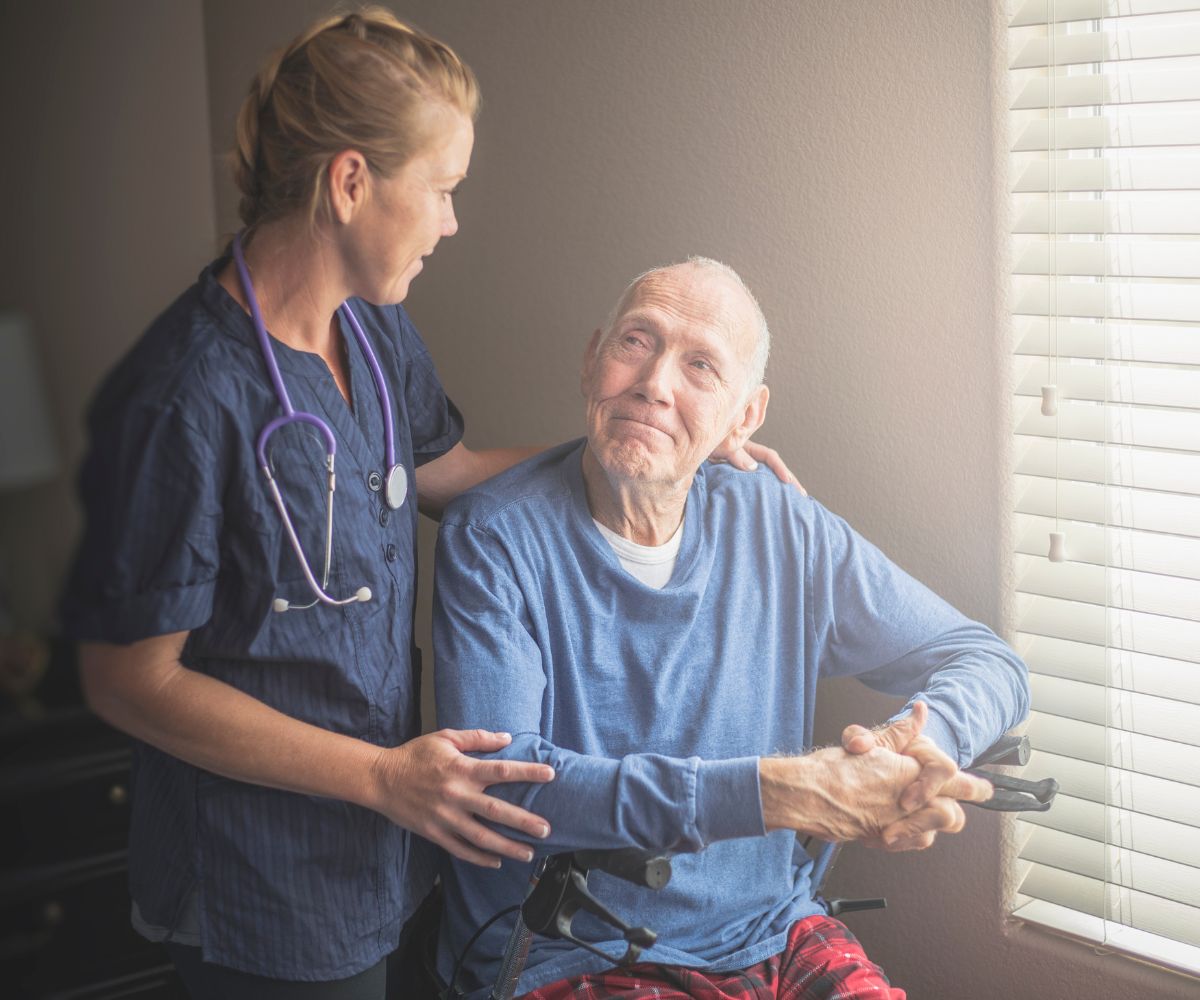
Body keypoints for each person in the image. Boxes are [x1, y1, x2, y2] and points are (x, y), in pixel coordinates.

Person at [57, 11, 795, 999]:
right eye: (442, 189)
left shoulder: (372, 332)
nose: (452, 221)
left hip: (389, 856)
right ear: (352, 180)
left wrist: (663, 451)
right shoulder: (187, 393)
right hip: (256, 881)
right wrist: (378, 776)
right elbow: (125, 681)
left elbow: (447, 475)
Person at [432, 258, 1031, 998]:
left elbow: (985, 660)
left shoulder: (783, 529)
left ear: (744, 416)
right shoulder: (493, 539)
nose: (655, 382)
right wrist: (784, 793)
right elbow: (506, 790)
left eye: (701, 365)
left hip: (772, 930)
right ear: (592, 362)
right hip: (572, 951)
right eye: (636, 342)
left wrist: (922, 740)